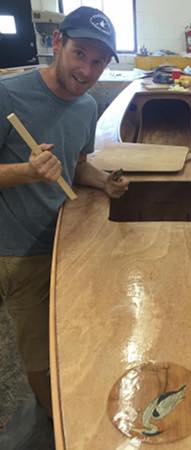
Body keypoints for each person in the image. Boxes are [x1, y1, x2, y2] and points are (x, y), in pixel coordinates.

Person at [0, 6, 129, 423]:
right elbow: (26, 173)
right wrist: (26, 171)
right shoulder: (9, 96)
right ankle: (54, 420)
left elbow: (76, 165)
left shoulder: (87, 106)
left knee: (73, 329)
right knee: (38, 346)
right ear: (57, 44)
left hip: (66, 237)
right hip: (19, 250)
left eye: (98, 61)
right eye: (79, 54)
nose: (87, 70)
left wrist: (103, 182)